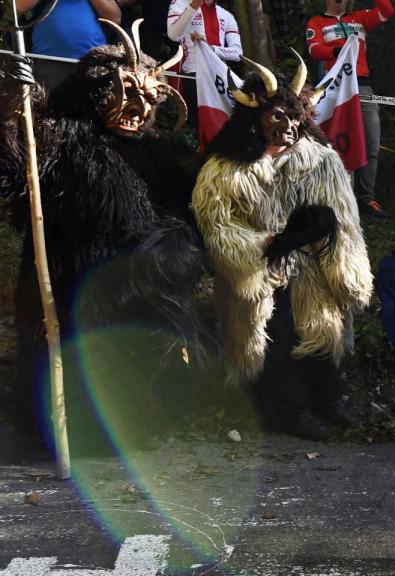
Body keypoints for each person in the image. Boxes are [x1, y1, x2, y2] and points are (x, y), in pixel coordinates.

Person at [0, 23, 203, 446]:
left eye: (149, 99)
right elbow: (17, 180)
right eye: (126, 92)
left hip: (134, 282)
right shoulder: (58, 134)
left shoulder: (157, 153)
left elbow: (185, 213)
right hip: (70, 278)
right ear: (95, 90)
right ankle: (62, 430)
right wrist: (10, 109)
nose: (138, 107)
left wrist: (169, 245)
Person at [192, 56, 373, 440]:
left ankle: (329, 398)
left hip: (311, 266)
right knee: (273, 335)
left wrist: (345, 270)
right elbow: (218, 227)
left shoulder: (321, 162)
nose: (288, 127)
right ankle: (287, 410)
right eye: (277, 117)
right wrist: (265, 248)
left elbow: (344, 220)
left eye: (294, 119)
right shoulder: (225, 168)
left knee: (323, 328)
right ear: (255, 118)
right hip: (259, 270)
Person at [306, 0, 395, 219]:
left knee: (371, 143)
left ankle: (366, 199)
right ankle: (342, 198)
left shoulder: (358, 18)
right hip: (336, 86)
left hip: (362, 85)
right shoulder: (317, 21)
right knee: (340, 142)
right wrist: (339, 51)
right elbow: (314, 49)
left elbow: (387, 11)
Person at [16, 0, 121, 89]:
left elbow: (115, 18)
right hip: (49, 63)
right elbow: (19, 6)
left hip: (94, 64)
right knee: (48, 109)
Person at [167, 0, 242, 75]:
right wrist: (193, 6)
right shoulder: (179, 3)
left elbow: (238, 53)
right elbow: (173, 35)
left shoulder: (226, 15)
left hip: (222, 75)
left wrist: (212, 49)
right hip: (194, 73)